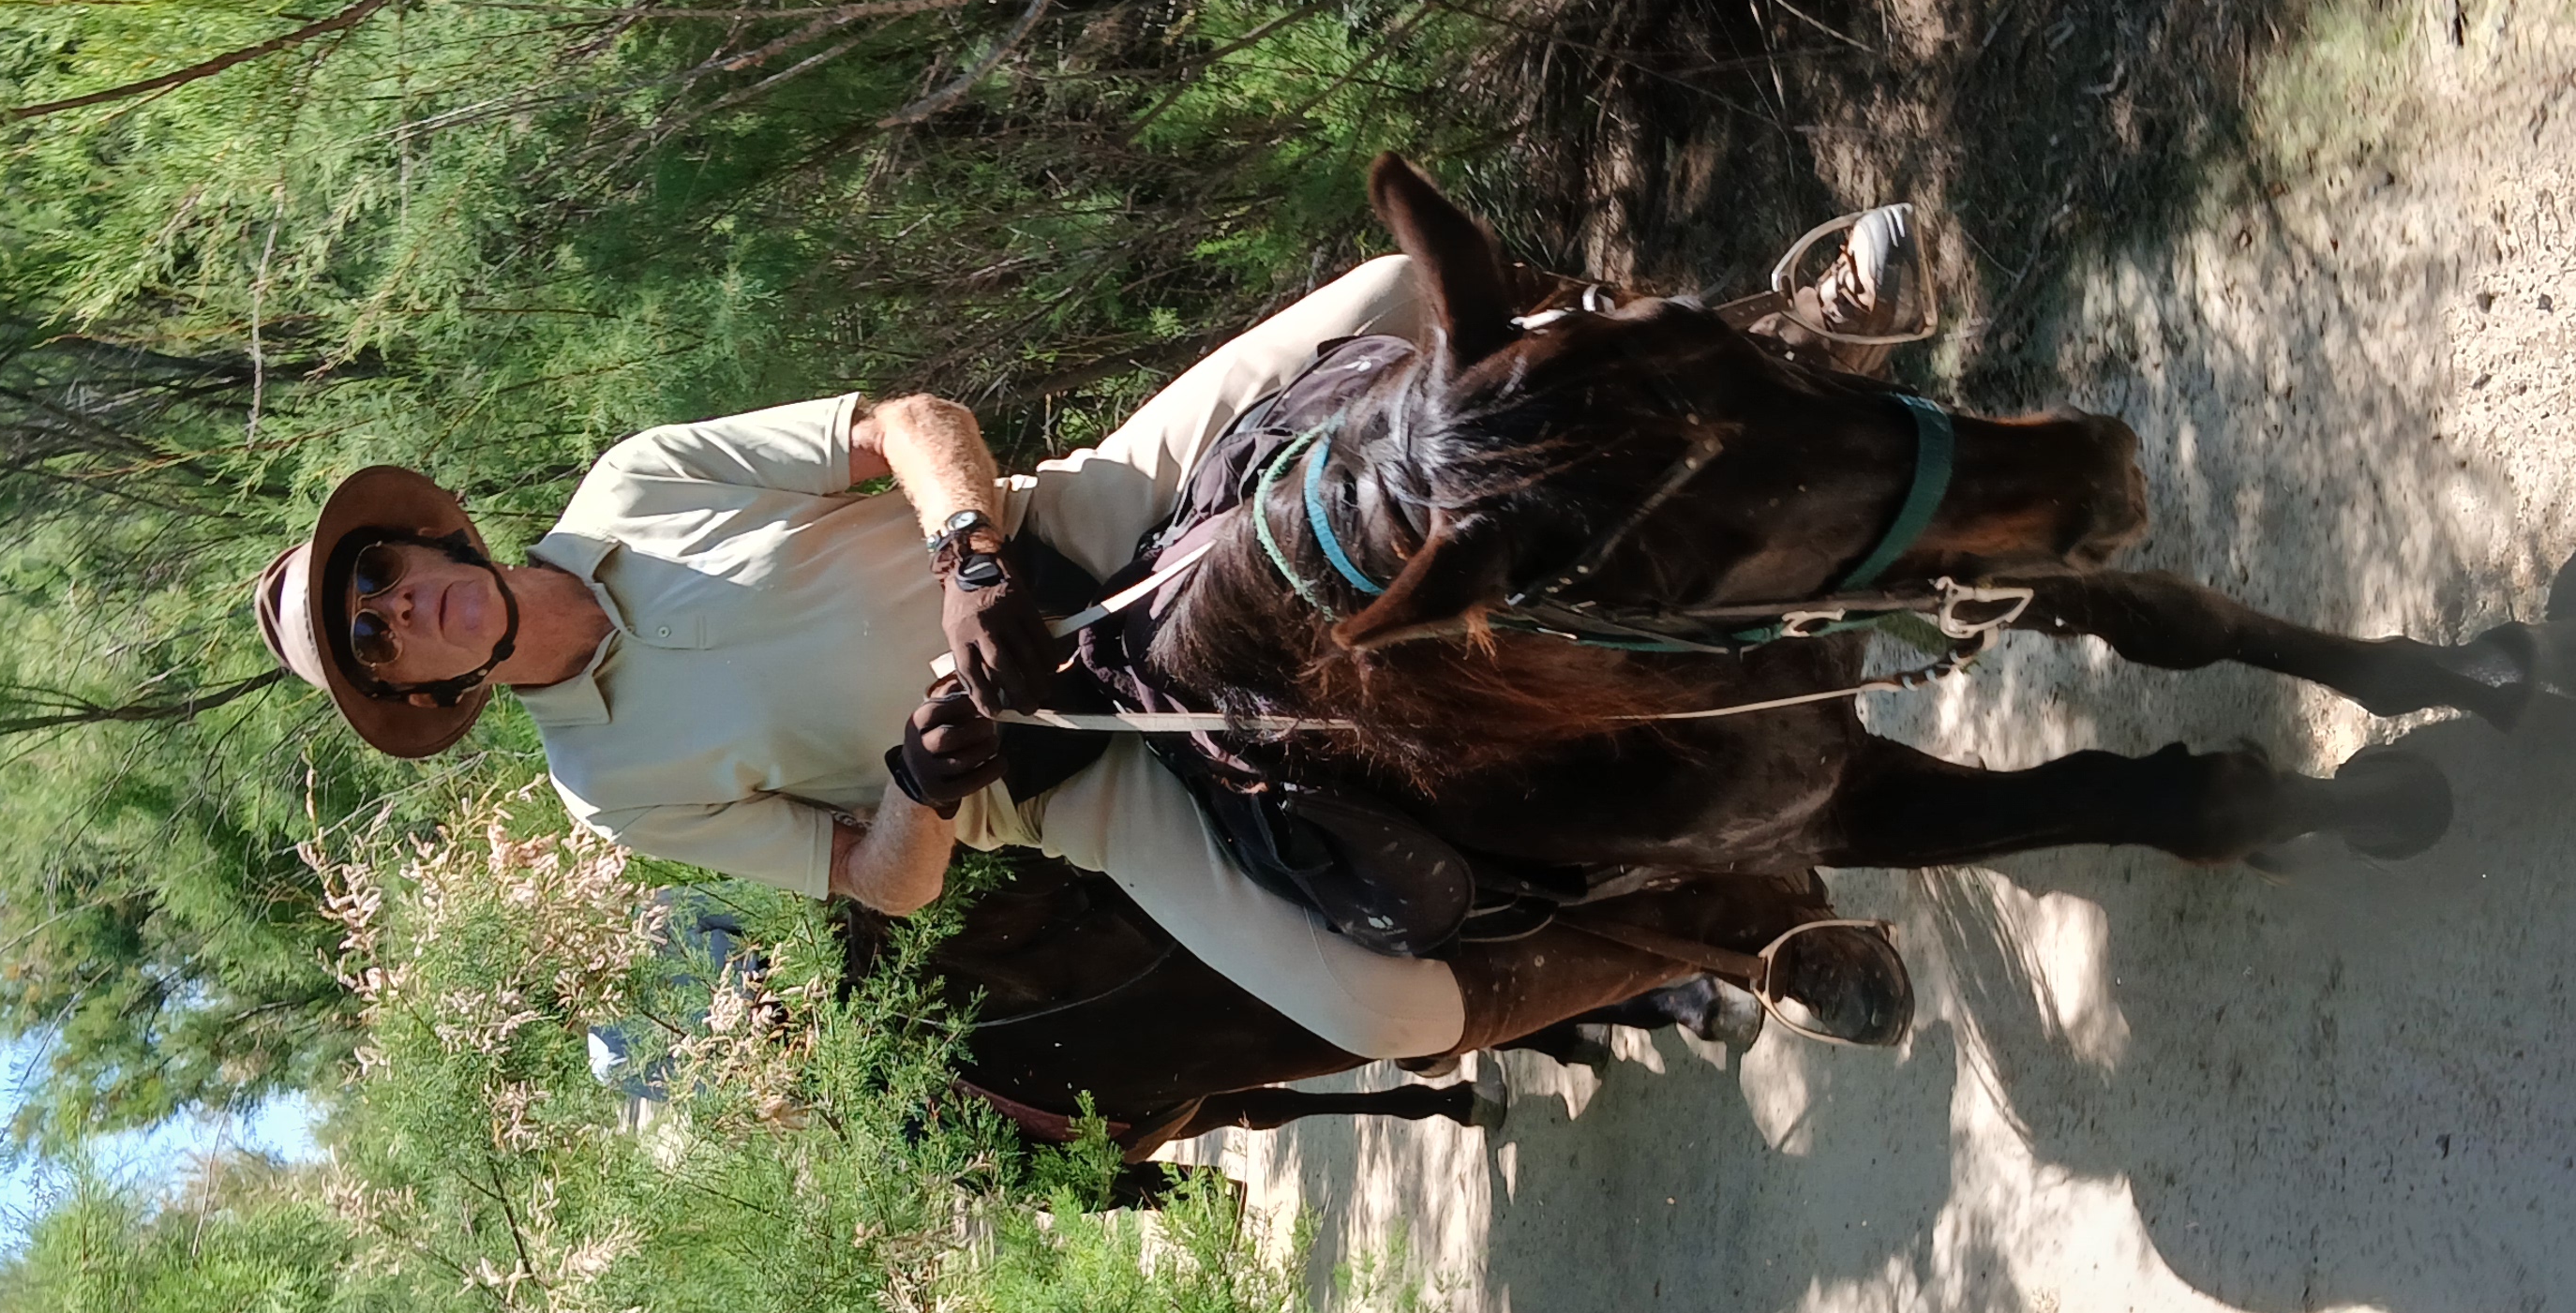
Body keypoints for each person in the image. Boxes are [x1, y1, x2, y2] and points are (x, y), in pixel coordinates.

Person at [252, 214, 1928, 1065]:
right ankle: (1725, 942)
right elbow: (877, 882)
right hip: (1082, 788)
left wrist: (971, 553)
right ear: (424, 692)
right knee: (1387, 1018)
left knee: (1392, 299)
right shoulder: (606, 791)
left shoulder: (637, 485)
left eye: (385, 575)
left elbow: (905, 420)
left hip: (1091, 530)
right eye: (381, 635)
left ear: (429, 534)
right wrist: (926, 776)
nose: (406, 606)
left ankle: (1785, 326)